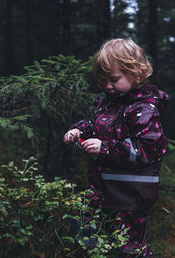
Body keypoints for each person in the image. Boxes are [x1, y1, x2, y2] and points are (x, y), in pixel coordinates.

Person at [63, 38, 169, 257]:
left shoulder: (144, 109)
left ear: (136, 74)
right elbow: (94, 124)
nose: (107, 87)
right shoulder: (107, 102)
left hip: (131, 192)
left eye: (113, 79)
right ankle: (88, 252)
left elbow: (148, 148)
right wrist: (78, 130)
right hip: (103, 185)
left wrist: (106, 149)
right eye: (103, 81)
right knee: (81, 216)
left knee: (126, 245)